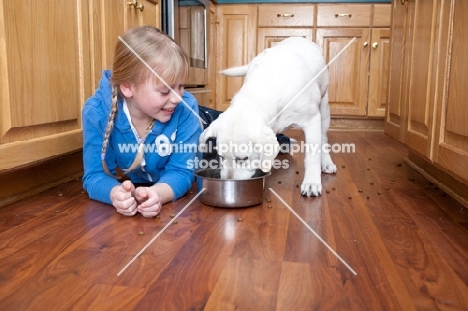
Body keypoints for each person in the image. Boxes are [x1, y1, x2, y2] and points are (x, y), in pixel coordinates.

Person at [82, 26, 202, 218]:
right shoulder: (96, 112)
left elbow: (182, 171)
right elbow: (94, 176)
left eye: (181, 86)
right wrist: (115, 194)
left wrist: (158, 193)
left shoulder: (185, 107)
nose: (177, 98)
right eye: (165, 91)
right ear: (128, 87)